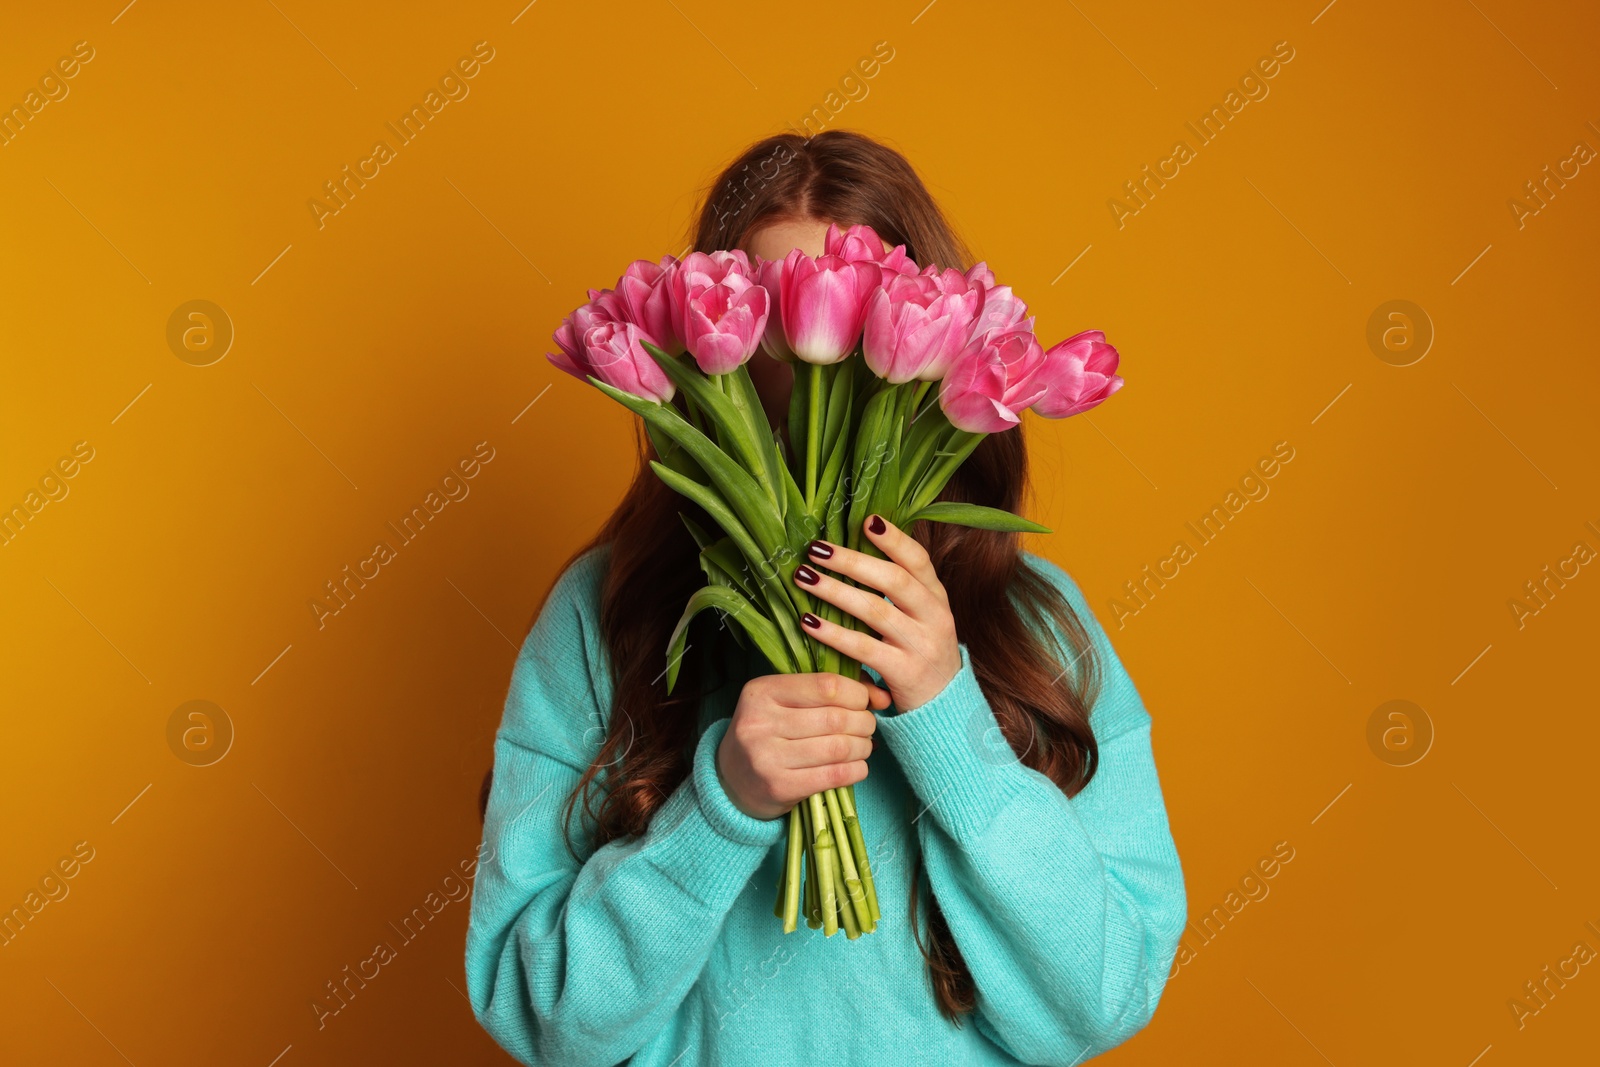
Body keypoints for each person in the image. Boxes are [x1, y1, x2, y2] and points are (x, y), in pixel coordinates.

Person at [464, 129, 1187, 1066]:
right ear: (699, 332)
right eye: (776, 314)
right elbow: (542, 1016)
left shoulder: (1038, 624)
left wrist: (949, 725)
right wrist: (722, 803)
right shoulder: (610, 612)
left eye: (862, 313)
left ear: (944, 340)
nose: (818, 371)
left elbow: (1104, 998)